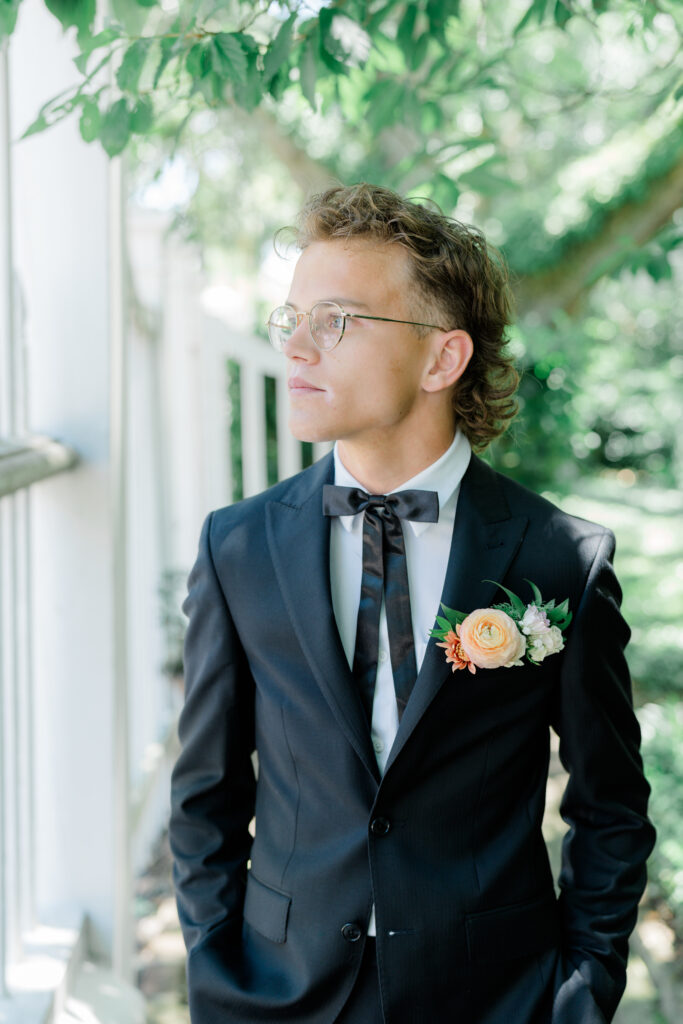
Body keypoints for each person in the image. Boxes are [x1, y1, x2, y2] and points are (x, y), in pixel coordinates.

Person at [169, 183, 655, 1024]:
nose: (298, 350)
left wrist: (579, 995)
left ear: (442, 358)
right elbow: (204, 796)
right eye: (292, 320)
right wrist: (219, 975)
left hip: (493, 997)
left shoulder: (558, 559)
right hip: (280, 996)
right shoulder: (237, 547)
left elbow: (609, 808)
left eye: (338, 320)